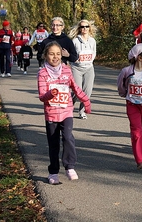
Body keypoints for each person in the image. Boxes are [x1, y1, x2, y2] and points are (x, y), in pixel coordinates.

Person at [38, 41, 91, 185]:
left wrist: (85, 101)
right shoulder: (42, 73)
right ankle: (53, 172)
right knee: (53, 144)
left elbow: (76, 87)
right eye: (51, 54)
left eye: (58, 54)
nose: (55, 57)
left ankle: (70, 166)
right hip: (51, 113)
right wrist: (50, 94)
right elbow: (42, 96)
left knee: (68, 137)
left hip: (67, 110)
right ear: (45, 56)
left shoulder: (67, 70)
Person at [69, 19, 97, 120]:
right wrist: (76, 60)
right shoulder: (75, 41)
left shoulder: (92, 40)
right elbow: (72, 54)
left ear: (89, 28)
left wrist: (89, 60)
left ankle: (82, 111)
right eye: (82, 27)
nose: (84, 28)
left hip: (89, 68)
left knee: (87, 91)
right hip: (77, 68)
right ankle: (69, 108)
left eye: (86, 26)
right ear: (79, 29)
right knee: (77, 91)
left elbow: (94, 53)